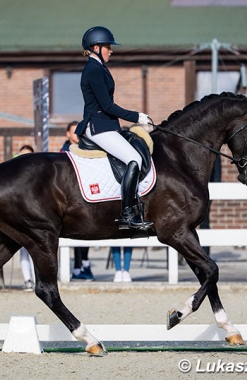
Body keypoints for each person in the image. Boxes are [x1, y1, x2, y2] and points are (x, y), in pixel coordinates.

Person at [75, 26, 152, 231]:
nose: (111, 50)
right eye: (108, 46)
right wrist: (137, 116)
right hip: (97, 126)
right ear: (96, 47)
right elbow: (107, 106)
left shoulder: (99, 67)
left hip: (106, 125)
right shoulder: (93, 70)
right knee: (133, 159)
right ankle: (127, 214)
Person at [60, 121, 94, 281]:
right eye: (74, 132)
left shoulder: (84, 150)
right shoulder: (63, 152)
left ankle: (83, 264)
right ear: (67, 134)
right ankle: (77, 267)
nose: (77, 135)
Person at [14, 144, 36, 290]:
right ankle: (27, 279)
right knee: (23, 250)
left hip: (34, 217)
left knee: (36, 250)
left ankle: (37, 278)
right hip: (21, 217)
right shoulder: (13, 175)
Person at [200, 155, 222, 256]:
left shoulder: (214, 152)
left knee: (204, 222)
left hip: (206, 193)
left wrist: (214, 191)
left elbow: (217, 175)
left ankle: (205, 254)